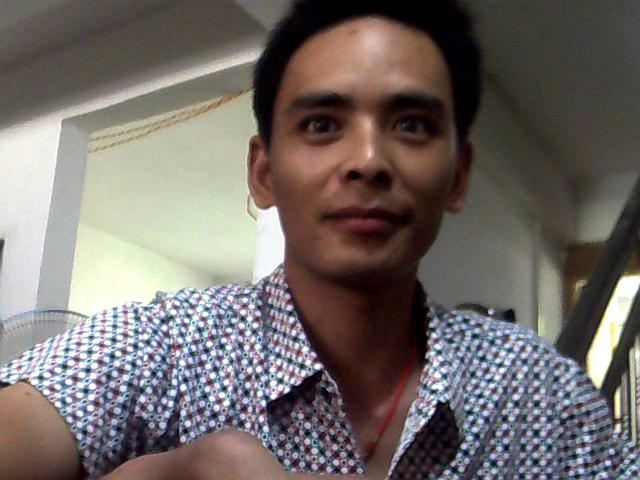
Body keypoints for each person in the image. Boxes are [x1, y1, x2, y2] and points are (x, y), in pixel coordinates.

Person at [0, 0, 637, 478]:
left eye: (412, 124)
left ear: (458, 176)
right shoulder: (157, 347)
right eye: (323, 124)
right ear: (264, 172)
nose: (368, 161)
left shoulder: (537, 392)